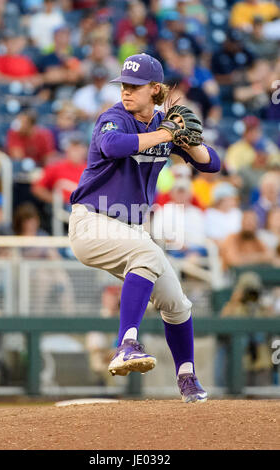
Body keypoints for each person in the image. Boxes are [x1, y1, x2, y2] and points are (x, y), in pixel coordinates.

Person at [68, 53, 221, 403]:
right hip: (91, 223)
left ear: (155, 89)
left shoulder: (165, 124)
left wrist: (190, 143)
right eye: (123, 85)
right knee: (148, 252)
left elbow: (213, 164)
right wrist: (165, 133)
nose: (126, 92)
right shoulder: (114, 118)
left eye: (135, 87)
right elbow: (113, 145)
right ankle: (126, 345)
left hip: (131, 231)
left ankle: (187, 379)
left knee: (177, 303)